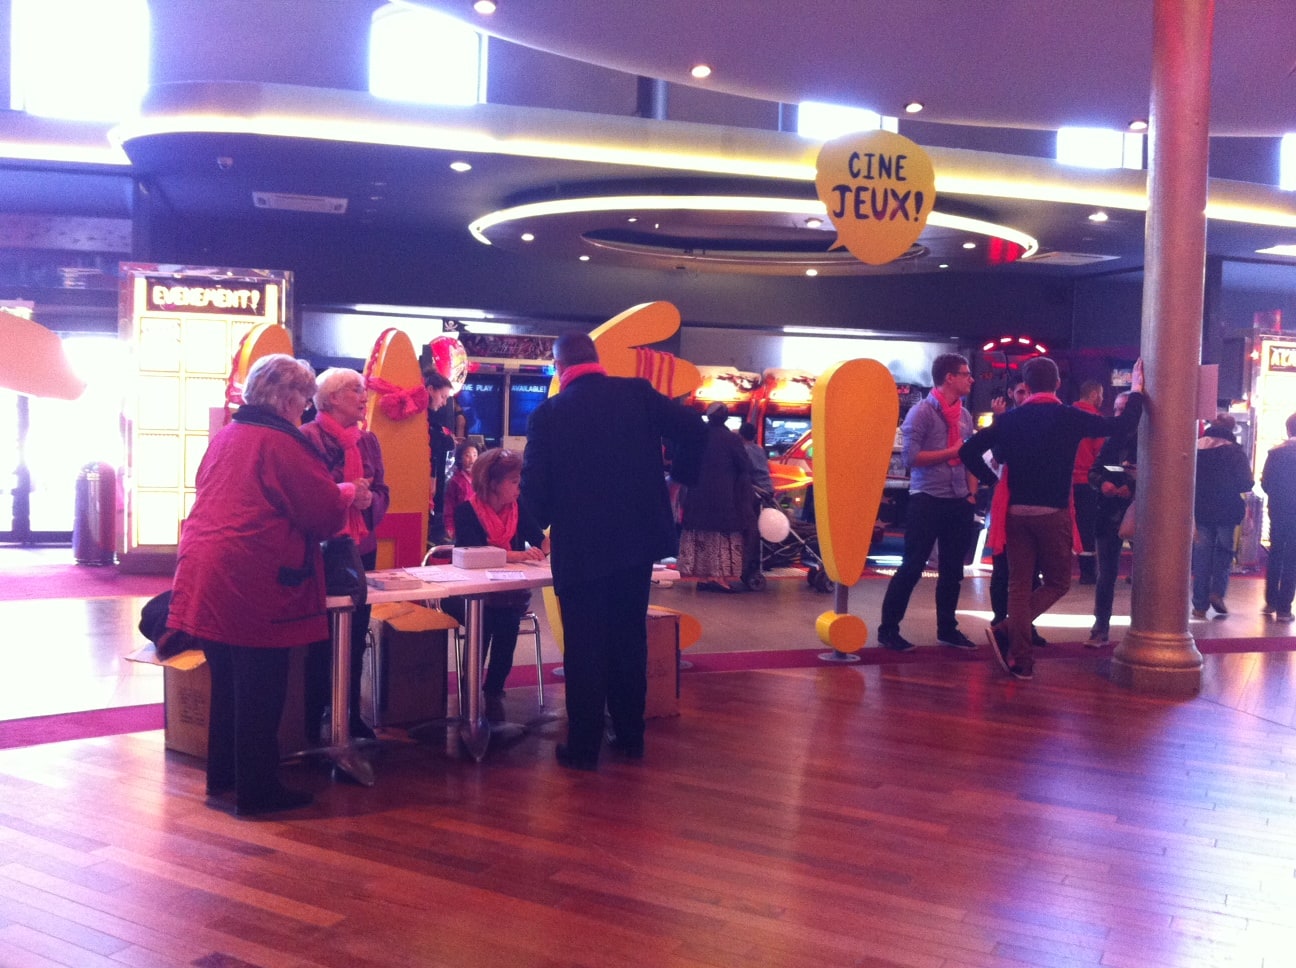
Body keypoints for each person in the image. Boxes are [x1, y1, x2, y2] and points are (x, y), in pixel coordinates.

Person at [166, 355, 346, 816]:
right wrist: (347, 494)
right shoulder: (282, 444)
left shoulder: (228, 435)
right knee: (261, 690)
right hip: (257, 579)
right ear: (288, 399)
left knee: (228, 686)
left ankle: (223, 780)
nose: (306, 410)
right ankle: (258, 791)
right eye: (305, 401)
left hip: (208, 573)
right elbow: (323, 514)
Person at [521, 331, 704, 770]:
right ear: (596, 358)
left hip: (581, 547)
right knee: (628, 637)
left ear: (560, 366)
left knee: (585, 645)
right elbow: (695, 431)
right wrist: (675, 483)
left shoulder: (549, 414)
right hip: (637, 542)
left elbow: (534, 488)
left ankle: (584, 748)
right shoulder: (637, 394)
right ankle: (630, 736)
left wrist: (534, 532)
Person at [961, 357, 1143, 680]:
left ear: (1026, 387)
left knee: (1018, 585)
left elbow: (967, 452)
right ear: (1058, 384)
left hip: (1016, 513)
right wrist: (1137, 390)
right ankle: (1006, 631)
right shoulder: (1069, 417)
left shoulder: (1010, 420)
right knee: (1058, 582)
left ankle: (1021, 659)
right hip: (1053, 513)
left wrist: (992, 480)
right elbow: (1121, 425)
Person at [299, 367, 390, 741]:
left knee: (354, 636)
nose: (364, 396)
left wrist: (370, 499)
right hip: (320, 549)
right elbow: (307, 493)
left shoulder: (368, 441)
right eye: (356, 389)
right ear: (332, 397)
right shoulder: (306, 438)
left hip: (360, 549)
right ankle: (310, 721)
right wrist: (346, 491)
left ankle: (350, 714)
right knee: (319, 640)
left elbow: (383, 490)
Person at [875, 353, 980, 652]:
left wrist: (971, 493)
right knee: (912, 566)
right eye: (965, 373)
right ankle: (888, 630)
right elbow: (911, 459)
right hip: (927, 499)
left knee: (952, 570)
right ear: (949, 377)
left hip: (958, 499)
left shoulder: (964, 415)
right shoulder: (921, 412)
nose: (971, 379)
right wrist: (951, 452)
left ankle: (947, 629)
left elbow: (968, 455)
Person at [446, 447, 548, 723]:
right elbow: (471, 553)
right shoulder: (467, 511)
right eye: (514, 481)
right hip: (475, 594)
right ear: (493, 484)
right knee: (487, 622)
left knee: (506, 626)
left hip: (509, 593)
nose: (519, 487)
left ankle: (493, 693)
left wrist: (554, 539)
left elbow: (539, 539)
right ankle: (471, 695)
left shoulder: (519, 508)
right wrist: (515, 555)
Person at [677, 402, 755, 593]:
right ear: (726, 418)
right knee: (720, 538)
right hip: (724, 498)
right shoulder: (732, 439)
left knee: (702, 536)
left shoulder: (695, 438)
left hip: (696, 496)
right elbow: (745, 466)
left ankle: (703, 577)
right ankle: (717, 578)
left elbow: (682, 465)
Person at [1086, 391, 1137, 646]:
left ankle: (1141, 627)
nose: (1118, 416)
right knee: (1106, 574)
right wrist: (1103, 482)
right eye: (1116, 410)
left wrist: (1134, 486)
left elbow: (1163, 475)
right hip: (1108, 514)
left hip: (1140, 514)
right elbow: (1094, 472)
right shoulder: (1111, 441)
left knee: (1146, 576)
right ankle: (1100, 627)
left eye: (1123, 410)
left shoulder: (1149, 439)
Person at [1190, 414, 1254, 620]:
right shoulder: (1235, 452)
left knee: (1201, 556)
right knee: (1224, 553)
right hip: (1227, 510)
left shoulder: (1195, 448)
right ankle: (1217, 593)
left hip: (1200, 509)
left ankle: (1199, 605)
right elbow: (1246, 483)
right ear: (1232, 429)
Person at [1261, 412, 1296, 622]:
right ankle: (1285, 609)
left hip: (1278, 509)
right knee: (1293, 558)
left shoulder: (1275, 453)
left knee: (1275, 553)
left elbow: (1265, 483)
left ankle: (1270, 600)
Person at [1071, 380, 1105, 585]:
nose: (1102, 399)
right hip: (1088, 481)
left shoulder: (1066, 415)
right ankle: (1088, 573)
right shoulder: (1095, 420)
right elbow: (1100, 453)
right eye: (1101, 394)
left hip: (1066, 481)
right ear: (1093, 395)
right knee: (1088, 526)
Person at [423, 367, 457, 543]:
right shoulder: (423, 420)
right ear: (430, 390)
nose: (444, 403)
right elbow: (435, 449)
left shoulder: (431, 420)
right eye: (443, 396)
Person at [442, 439, 479, 541]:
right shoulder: (455, 481)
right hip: (462, 525)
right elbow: (449, 506)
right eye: (467, 455)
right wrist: (450, 526)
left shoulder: (482, 478)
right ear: (460, 458)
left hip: (479, 524)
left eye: (475, 455)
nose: (472, 459)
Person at [738, 422, 774, 500]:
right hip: (769, 487)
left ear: (740, 436)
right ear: (755, 436)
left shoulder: (743, 450)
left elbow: (745, 471)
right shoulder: (760, 449)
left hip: (757, 490)